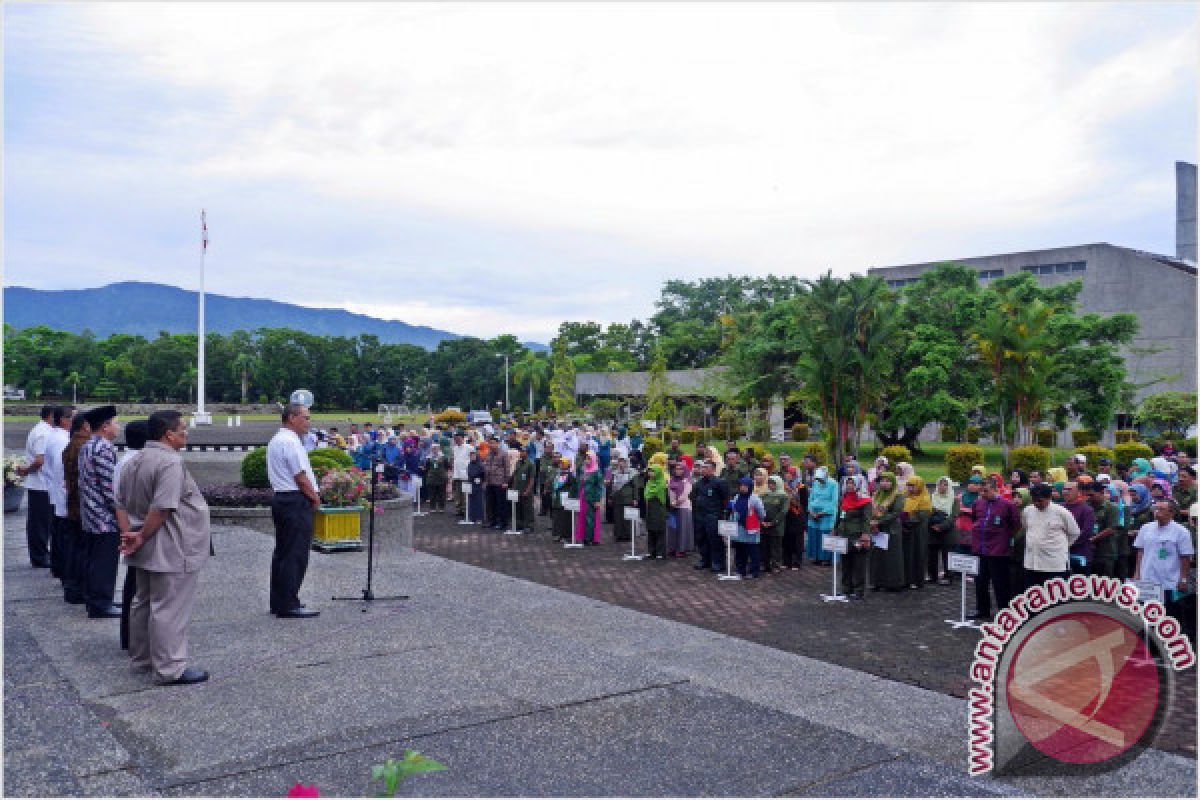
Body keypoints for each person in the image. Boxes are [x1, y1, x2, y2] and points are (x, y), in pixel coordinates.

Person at [116, 410, 211, 685]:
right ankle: (170, 667)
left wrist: (130, 535)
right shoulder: (169, 462)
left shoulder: (135, 460)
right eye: (183, 428)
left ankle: (143, 659)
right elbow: (163, 507)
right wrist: (141, 536)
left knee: (143, 602)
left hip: (146, 543)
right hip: (170, 544)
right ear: (168, 434)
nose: (186, 433)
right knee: (169, 607)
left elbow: (120, 503)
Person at [266, 403, 321, 618]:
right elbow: (300, 476)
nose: (308, 422)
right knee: (294, 555)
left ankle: (279, 602)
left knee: (282, 553)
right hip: (294, 500)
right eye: (305, 418)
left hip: (282, 499)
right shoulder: (289, 441)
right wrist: (315, 497)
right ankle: (289, 603)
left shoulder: (277, 440)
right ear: (291, 417)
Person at [78, 405, 123, 619]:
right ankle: (101, 603)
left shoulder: (87, 446)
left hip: (89, 513)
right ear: (105, 426)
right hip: (103, 516)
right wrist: (121, 514)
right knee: (105, 562)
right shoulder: (103, 449)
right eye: (115, 422)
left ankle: (96, 599)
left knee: (93, 559)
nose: (118, 426)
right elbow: (109, 487)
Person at [1134, 500, 1194, 637]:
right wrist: (1137, 573)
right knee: (1147, 611)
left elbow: (1185, 557)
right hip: (1147, 579)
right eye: (1155, 508)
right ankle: (1147, 642)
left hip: (1168, 580)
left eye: (1161, 509)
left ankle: (1168, 643)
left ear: (1171, 513)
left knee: (1168, 614)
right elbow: (1140, 552)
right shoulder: (1146, 528)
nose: (1157, 511)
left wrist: (1183, 579)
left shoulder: (1181, 532)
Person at [968, 476, 1021, 620]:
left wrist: (1004, 538)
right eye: (981, 491)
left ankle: (1004, 612)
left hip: (998, 551)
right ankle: (982, 610)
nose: (983, 494)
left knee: (1001, 584)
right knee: (980, 582)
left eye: (985, 491)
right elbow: (975, 519)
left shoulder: (1007, 505)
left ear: (995, 489)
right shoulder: (978, 503)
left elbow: (1015, 524)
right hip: (980, 548)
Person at [116, 419, 149, 650]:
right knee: (137, 588)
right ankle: (132, 636)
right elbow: (120, 503)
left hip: (133, 527)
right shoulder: (135, 462)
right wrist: (128, 532)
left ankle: (130, 635)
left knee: (134, 585)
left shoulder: (127, 460)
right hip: (137, 528)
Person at [1020, 483, 1081, 589]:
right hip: (1031, 563)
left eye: (1040, 501)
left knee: (1055, 600)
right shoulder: (1028, 511)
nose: (1036, 503)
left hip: (1054, 564)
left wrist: (1060, 547)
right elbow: (1026, 527)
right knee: (1033, 598)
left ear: (1049, 498)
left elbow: (1074, 533)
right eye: (1034, 500)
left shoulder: (1062, 512)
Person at [20, 404, 56, 568]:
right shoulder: (42, 432)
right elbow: (39, 460)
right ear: (51, 415)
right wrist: (26, 470)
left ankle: (41, 554)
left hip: (44, 484)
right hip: (40, 484)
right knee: (39, 523)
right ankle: (39, 557)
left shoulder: (45, 430)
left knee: (42, 522)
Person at [61, 413, 92, 605]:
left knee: (75, 547)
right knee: (82, 548)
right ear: (85, 427)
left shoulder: (72, 444)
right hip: (81, 503)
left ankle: (72, 587)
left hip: (73, 501)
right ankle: (77, 588)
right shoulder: (83, 445)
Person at [43, 405, 75, 582]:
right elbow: (61, 468)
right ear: (64, 420)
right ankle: (62, 568)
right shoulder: (62, 440)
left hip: (58, 490)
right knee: (63, 534)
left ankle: (59, 567)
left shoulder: (58, 437)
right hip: (62, 492)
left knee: (59, 533)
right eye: (73, 418)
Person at [836, 476, 873, 598]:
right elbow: (840, 515)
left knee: (859, 563)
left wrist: (865, 534)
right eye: (848, 483)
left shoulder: (865, 500)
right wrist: (835, 528)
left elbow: (866, 519)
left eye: (852, 483)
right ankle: (846, 588)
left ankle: (858, 590)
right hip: (844, 533)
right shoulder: (844, 497)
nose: (849, 486)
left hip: (857, 534)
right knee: (845, 562)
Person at [691, 460, 730, 573]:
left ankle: (718, 562)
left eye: (706, 468)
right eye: (702, 467)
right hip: (700, 515)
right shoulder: (699, 483)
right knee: (702, 539)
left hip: (714, 515)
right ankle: (705, 560)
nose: (703, 469)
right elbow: (693, 496)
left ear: (713, 469)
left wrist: (723, 513)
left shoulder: (719, 482)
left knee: (715, 540)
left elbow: (726, 499)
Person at [869, 472, 906, 591]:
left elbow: (895, 513)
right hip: (877, 530)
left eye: (887, 481)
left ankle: (893, 583)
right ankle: (877, 582)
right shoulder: (876, 495)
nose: (884, 483)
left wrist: (878, 522)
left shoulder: (897, 495)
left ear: (893, 482)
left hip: (891, 530)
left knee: (891, 557)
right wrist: (872, 522)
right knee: (877, 556)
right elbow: (870, 510)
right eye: (882, 481)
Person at [729, 476, 764, 579]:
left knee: (752, 550)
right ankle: (741, 570)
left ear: (750, 487)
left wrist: (758, 521)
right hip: (739, 528)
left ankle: (754, 572)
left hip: (751, 529)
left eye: (745, 486)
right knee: (740, 550)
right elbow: (734, 510)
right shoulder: (736, 497)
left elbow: (761, 513)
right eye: (741, 485)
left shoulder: (754, 498)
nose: (743, 488)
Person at [1085, 481, 1121, 578]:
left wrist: (1093, 539)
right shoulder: (1087, 506)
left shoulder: (1111, 507)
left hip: (1106, 551)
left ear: (1101, 492)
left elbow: (1111, 528)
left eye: (1092, 495)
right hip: (1090, 551)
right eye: (1087, 495)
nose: (1089, 497)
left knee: (1105, 583)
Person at [901, 474, 932, 590]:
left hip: (918, 531)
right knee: (907, 555)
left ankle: (917, 580)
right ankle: (906, 579)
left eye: (912, 486)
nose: (909, 488)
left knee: (917, 554)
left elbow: (921, 516)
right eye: (908, 485)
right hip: (906, 531)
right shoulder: (905, 497)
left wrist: (906, 519)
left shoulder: (925, 499)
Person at [928, 476, 958, 585]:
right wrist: (933, 524)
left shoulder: (954, 499)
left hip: (947, 530)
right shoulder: (932, 497)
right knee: (932, 554)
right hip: (932, 529)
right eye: (940, 484)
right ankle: (932, 576)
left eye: (945, 484)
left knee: (947, 554)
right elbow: (928, 511)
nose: (942, 486)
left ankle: (948, 576)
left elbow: (953, 516)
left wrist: (941, 526)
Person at [806, 467, 838, 565]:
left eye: (820, 478)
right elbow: (811, 498)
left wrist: (822, 513)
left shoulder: (833, 484)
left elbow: (834, 501)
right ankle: (816, 557)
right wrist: (810, 511)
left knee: (825, 535)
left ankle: (826, 558)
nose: (819, 480)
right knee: (815, 535)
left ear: (827, 475)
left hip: (826, 514)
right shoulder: (816, 483)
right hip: (814, 513)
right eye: (818, 478)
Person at [1062, 482, 1095, 575]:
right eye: (1064, 489)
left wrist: (1067, 543)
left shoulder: (1086, 510)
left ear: (1079, 492)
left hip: (1080, 553)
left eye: (1069, 489)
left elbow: (1086, 532)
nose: (1065, 492)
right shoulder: (1059, 508)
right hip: (1060, 555)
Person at [575, 452, 605, 545]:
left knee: (591, 518)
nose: (587, 460)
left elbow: (600, 487)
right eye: (586, 458)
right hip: (583, 496)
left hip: (592, 497)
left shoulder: (597, 472)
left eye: (589, 458)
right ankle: (583, 537)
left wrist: (597, 500)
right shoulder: (583, 470)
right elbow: (579, 482)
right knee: (582, 517)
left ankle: (590, 538)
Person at [760, 475, 788, 574]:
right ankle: (765, 564)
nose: (771, 485)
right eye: (769, 483)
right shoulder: (764, 495)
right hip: (764, 524)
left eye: (773, 484)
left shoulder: (783, 496)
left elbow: (783, 511)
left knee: (775, 546)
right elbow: (759, 508)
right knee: (764, 546)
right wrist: (762, 521)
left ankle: (776, 565)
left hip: (776, 525)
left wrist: (773, 522)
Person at [609, 456, 641, 542]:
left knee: (627, 518)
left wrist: (635, 499)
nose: (621, 463)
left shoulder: (632, 473)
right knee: (618, 518)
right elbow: (612, 487)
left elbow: (635, 487)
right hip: (617, 498)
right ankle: (619, 535)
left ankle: (628, 535)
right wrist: (611, 497)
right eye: (619, 462)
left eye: (623, 462)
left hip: (628, 498)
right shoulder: (615, 473)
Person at [666, 461, 694, 558]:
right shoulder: (671, 480)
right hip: (673, 507)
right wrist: (672, 502)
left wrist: (676, 502)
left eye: (680, 469)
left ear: (684, 470)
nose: (678, 471)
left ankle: (681, 549)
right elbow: (670, 492)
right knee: (672, 528)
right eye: (676, 469)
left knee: (683, 529)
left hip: (684, 507)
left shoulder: (687, 480)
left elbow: (685, 494)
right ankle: (672, 548)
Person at [483, 437, 510, 530]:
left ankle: (503, 522)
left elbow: (507, 469)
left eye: (494, 443)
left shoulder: (503, 454)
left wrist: (506, 482)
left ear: (498, 444)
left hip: (500, 482)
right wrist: (485, 481)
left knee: (501, 504)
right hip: (490, 482)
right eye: (490, 443)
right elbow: (486, 467)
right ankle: (492, 521)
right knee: (491, 503)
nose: (492, 445)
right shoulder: (488, 454)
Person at [643, 464, 668, 559]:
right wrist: (648, 493)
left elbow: (653, 492)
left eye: (652, 471)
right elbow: (646, 493)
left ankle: (660, 552)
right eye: (649, 471)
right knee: (650, 530)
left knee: (660, 530)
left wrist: (649, 493)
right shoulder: (649, 482)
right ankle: (651, 551)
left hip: (659, 509)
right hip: (650, 508)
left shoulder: (662, 482)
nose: (650, 473)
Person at [550, 457, 577, 541]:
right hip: (557, 499)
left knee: (565, 517)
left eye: (562, 463)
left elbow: (573, 487)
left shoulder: (570, 475)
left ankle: (566, 535)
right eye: (560, 463)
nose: (560, 464)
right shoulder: (558, 473)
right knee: (557, 517)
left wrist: (570, 496)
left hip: (565, 498)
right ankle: (558, 534)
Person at [510, 446, 536, 533]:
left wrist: (527, 491)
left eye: (523, 451)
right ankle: (520, 525)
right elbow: (514, 475)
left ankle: (529, 526)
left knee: (527, 509)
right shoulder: (518, 462)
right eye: (521, 451)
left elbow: (532, 479)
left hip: (526, 490)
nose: (521, 453)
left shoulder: (530, 464)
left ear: (527, 453)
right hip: (517, 490)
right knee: (519, 508)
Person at [450, 433, 471, 517]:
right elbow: (454, 459)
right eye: (455, 439)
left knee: (465, 493)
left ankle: (466, 509)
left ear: (463, 438)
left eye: (458, 439)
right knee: (457, 493)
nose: (457, 440)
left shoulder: (469, 447)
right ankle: (459, 509)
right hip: (456, 473)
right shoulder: (455, 448)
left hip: (465, 473)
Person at [424, 444, 449, 512]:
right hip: (432, 478)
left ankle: (441, 507)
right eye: (433, 448)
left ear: (439, 449)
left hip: (441, 478)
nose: (435, 450)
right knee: (432, 494)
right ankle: (432, 508)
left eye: (436, 448)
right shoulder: (428, 458)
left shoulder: (444, 457)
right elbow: (427, 468)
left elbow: (447, 466)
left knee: (442, 493)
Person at [465, 448, 485, 523]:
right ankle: (472, 517)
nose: (472, 457)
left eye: (473, 456)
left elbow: (482, 474)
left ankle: (479, 517)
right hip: (471, 483)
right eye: (471, 456)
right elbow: (469, 472)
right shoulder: (469, 464)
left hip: (478, 484)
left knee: (479, 501)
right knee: (471, 500)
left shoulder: (480, 464)